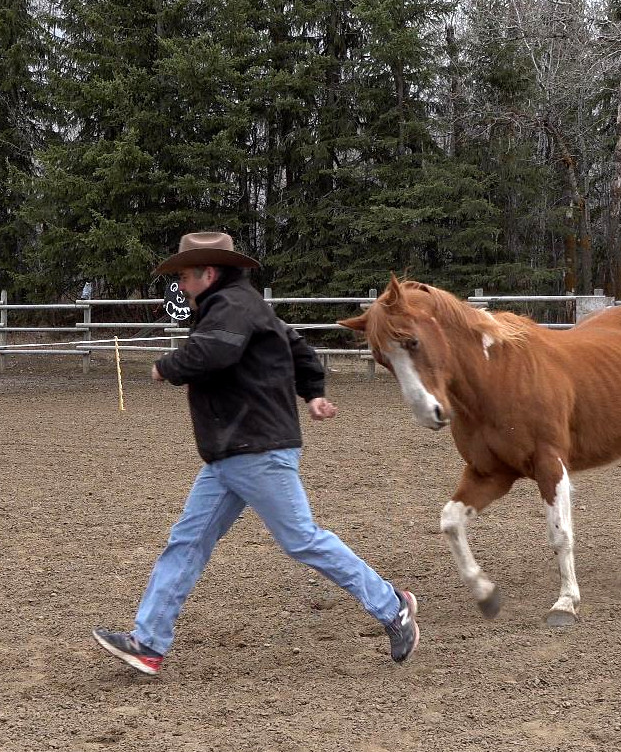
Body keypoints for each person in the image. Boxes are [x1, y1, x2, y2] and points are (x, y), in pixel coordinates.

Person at [92, 232, 419, 676]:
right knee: (187, 542)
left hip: (256, 449)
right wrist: (313, 394)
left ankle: (392, 605)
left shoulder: (232, 308)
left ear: (209, 273)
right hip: (230, 453)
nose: (182, 287)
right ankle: (148, 643)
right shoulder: (244, 307)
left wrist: (165, 367)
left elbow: (215, 351)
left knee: (302, 539)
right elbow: (299, 348)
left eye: (186, 277)